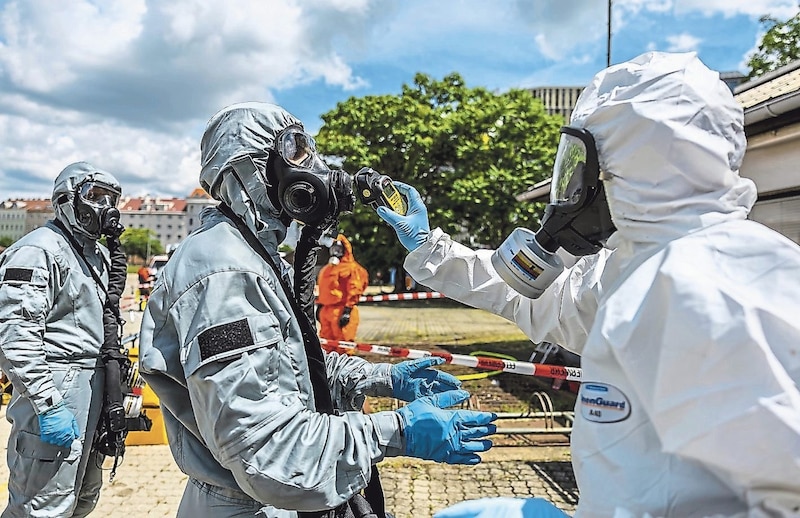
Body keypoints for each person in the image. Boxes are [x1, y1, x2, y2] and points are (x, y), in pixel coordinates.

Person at [378, 51, 800, 517]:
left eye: (580, 163)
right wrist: (431, 248)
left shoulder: (718, 282)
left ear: (627, 165)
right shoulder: (635, 265)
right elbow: (539, 301)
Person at [137, 101, 497, 518]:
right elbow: (263, 447)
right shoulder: (223, 271)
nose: (313, 165)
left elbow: (286, 367)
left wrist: (382, 377)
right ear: (249, 172)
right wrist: (396, 432)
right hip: (250, 504)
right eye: (293, 151)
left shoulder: (252, 254)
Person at [0, 162, 125, 517]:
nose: (106, 206)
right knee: (41, 505)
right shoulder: (39, 250)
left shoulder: (96, 255)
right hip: (57, 383)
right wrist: (47, 402)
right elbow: (14, 333)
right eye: (95, 196)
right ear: (66, 199)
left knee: (81, 497)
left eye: (112, 198)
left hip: (96, 384)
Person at [316, 234, 369, 342]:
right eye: (333, 248)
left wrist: (347, 310)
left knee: (343, 344)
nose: (335, 251)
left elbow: (355, 288)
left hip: (341, 311)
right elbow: (323, 288)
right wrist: (320, 306)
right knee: (326, 345)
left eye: (338, 248)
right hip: (326, 311)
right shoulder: (327, 269)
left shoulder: (352, 269)